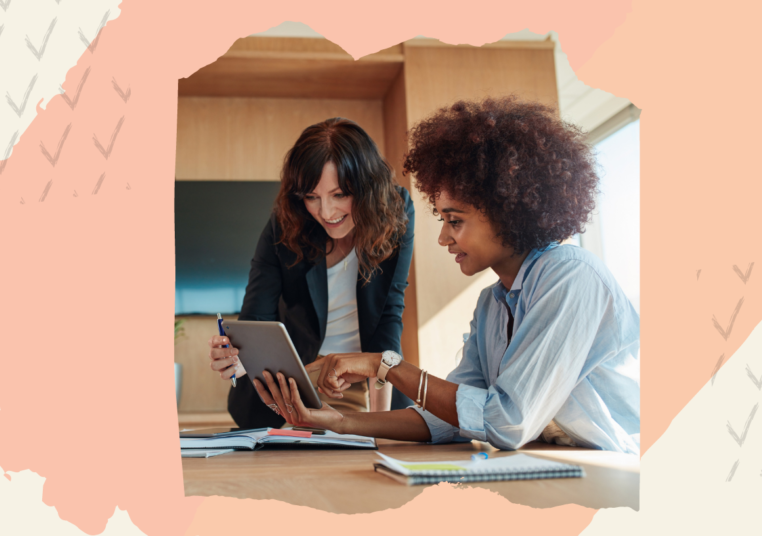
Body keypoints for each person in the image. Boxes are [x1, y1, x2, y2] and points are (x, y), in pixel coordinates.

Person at [254, 97, 641, 454]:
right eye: (442, 219)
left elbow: (504, 421)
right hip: (557, 461)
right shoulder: (491, 304)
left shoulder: (570, 277)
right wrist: (340, 422)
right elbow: (451, 418)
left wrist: (382, 364)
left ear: (508, 210)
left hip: (620, 465)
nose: (442, 237)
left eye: (454, 221)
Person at [207, 118, 415, 430]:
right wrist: (237, 358)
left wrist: (379, 425)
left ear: (368, 187)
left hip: (369, 384)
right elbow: (256, 319)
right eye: (312, 197)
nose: (326, 212)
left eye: (340, 194)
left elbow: (389, 314)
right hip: (292, 390)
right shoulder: (286, 221)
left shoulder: (395, 211)